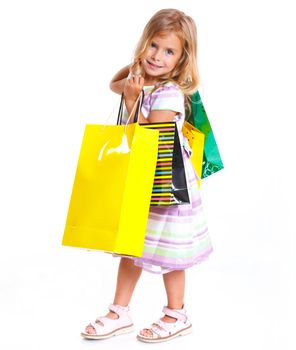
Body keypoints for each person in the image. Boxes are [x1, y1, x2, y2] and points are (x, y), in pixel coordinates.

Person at [81, 8, 213, 343]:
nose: (158, 56)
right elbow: (114, 83)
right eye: (153, 45)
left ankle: (176, 314)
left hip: (166, 188)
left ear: (183, 59)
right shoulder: (145, 80)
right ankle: (119, 311)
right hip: (143, 183)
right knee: (131, 248)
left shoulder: (168, 93)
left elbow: (147, 140)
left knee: (169, 255)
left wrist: (133, 98)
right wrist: (137, 66)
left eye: (169, 51)